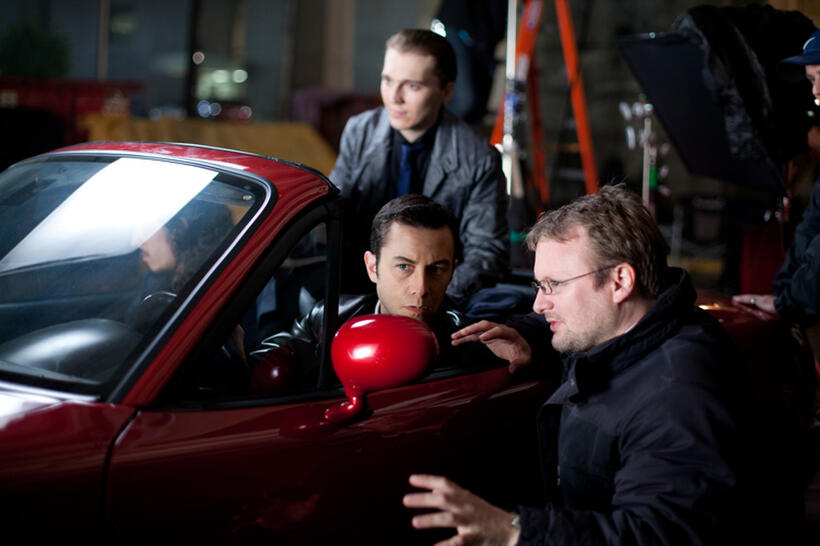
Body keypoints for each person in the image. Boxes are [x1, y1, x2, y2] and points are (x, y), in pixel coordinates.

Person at [403, 184, 755, 544]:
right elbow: (568, 318)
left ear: (620, 281)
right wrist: (527, 337)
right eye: (539, 285)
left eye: (553, 284)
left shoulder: (677, 395)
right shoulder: (625, 323)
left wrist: (516, 534)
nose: (539, 304)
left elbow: (657, 534)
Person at [329, 28, 509, 306]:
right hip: (358, 288)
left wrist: (428, 300)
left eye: (412, 86)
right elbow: (333, 215)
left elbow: (486, 253)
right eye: (388, 81)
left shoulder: (479, 158)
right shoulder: (359, 131)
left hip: (432, 297)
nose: (394, 97)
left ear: (446, 91)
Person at [251, 194, 493, 384]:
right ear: (372, 267)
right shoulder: (330, 318)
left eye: (437, 269)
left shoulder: (467, 342)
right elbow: (260, 362)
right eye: (404, 267)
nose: (420, 289)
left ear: (452, 271)